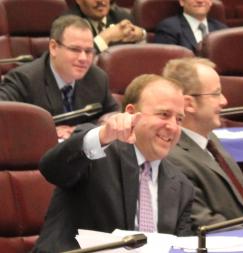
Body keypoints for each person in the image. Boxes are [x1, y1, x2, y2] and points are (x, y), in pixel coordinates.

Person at [31, 74, 194, 253]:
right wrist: (102, 137)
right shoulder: (96, 152)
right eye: (164, 114)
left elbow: (181, 248)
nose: (173, 127)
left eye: (179, 119)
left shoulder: (181, 185)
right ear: (131, 113)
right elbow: (52, 169)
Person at [162, 57, 243, 233]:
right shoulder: (171, 157)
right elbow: (203, 223)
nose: (224, 101)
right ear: (188, 104)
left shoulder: (210, 140)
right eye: (216, 94)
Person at [0, 15, 119, 139]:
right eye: (75, 49)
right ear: (54, 47)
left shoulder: (97, 78)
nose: (83, 58)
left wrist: (81, 130)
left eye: (88, 51)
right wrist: (47, 132)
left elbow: (113, 113)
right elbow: (4, 121)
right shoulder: (24, 79)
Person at [66, 0, 146, 53]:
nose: (101, 1)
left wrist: (141, 34)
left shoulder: (122, 16)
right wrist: (106, 37)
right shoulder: (68, 23)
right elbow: (77, 57)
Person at [154, 0, 227, 54]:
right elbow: (167, 62)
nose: (200, 1)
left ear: (210, 1)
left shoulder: (222, 29)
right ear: (182, 1)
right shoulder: (168, 28)